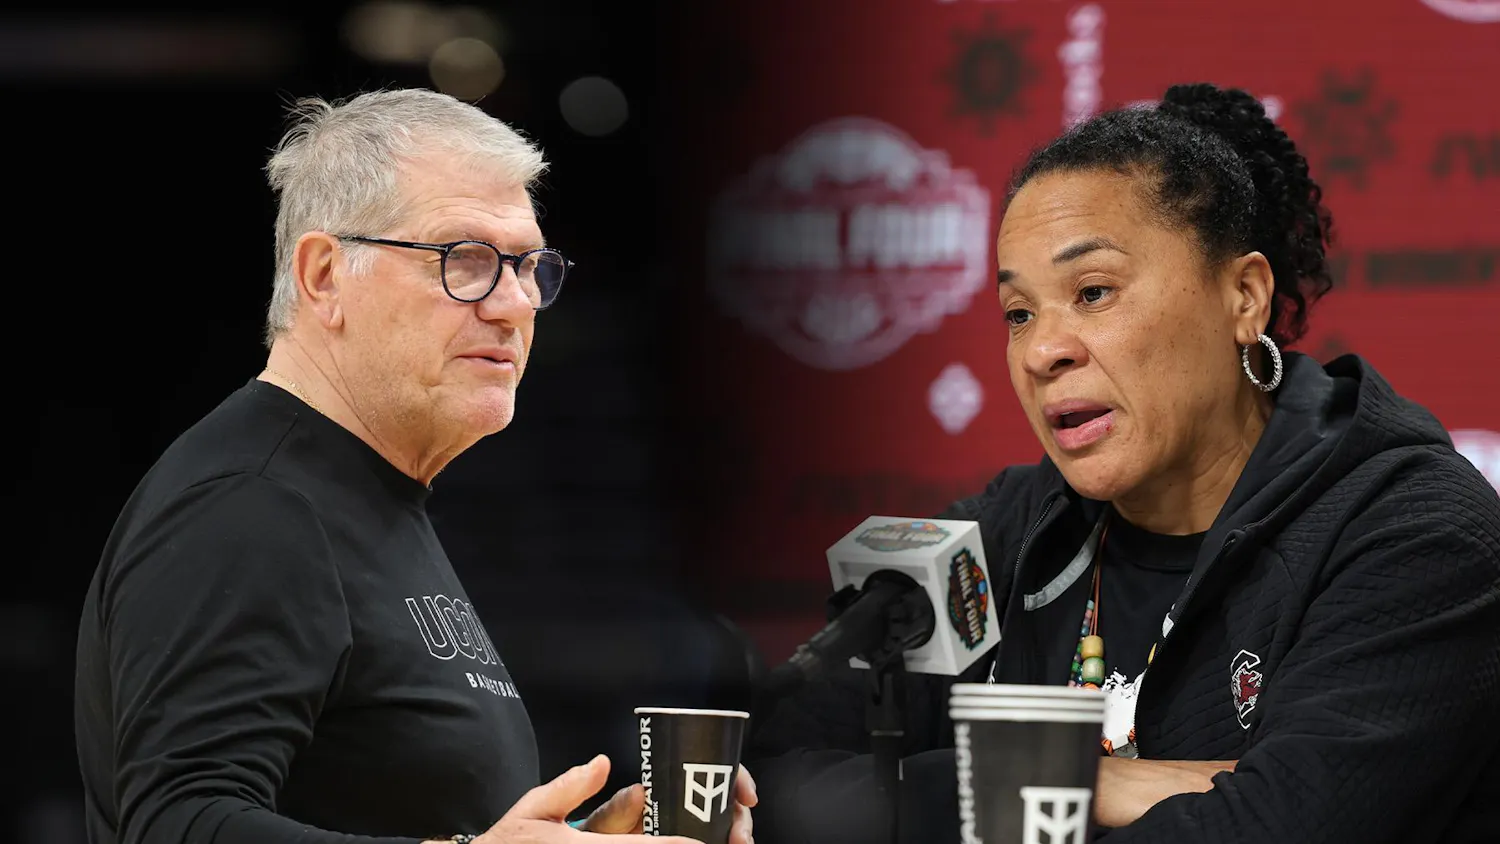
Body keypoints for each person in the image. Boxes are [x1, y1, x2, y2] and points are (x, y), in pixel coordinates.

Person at [744, 82, 1500, 843]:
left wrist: (960, 798)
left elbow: (1285, 827)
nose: (1042, 351)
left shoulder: (1418, 535)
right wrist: (1067, 779)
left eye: (1094, 292)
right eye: (1018, 313)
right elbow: (753, 778)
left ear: (1245, 297)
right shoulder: (1004, 534)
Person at [73, 88, 755, 844]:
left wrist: (589, 837)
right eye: (465, 259)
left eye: (528, 265)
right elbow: (176, 823)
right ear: (325, 276)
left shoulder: (366, 495)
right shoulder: (249, 503)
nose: (514, 303)